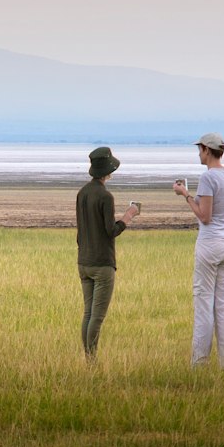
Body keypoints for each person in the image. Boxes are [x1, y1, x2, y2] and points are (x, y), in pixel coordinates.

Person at [172, 132, 224, 370]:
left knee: (204, 303)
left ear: (206, 149)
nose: (198, 153)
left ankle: (199, 364)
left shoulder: (208, 179)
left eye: (200, 149)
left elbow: (205, 216)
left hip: (210, 243)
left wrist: (186, 196)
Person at [75, 146, 142, 361]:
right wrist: (128, 216)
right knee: (97, 316)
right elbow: (110, 231)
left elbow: (81, 231)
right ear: (108, 170)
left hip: (83, 262)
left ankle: (88, 358)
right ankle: (91, 360)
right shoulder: (105, 196)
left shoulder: (82, 193)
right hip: (102, 264)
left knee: (88, 313)